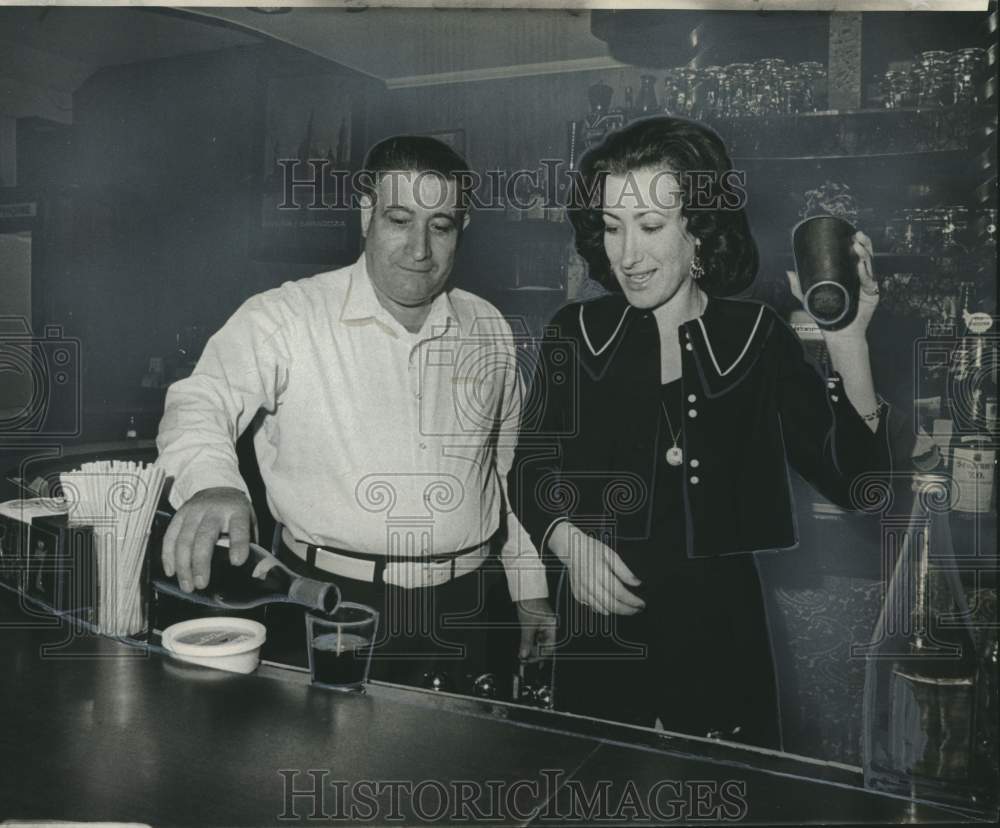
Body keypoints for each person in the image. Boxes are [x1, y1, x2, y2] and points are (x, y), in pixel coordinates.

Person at [508, 117, 891, 747]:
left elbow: (861, 486)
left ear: (699, 234)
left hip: (721, 641)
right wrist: (566, 540)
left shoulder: (757, 337)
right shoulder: (575, 332)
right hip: (599, 642)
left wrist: (847, 337)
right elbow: (529, 466)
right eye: (611, 227)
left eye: (651, 227)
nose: (626, 255)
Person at [156, 135, 556, 692]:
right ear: (366, 214)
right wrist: (212, 485)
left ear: (461, 230)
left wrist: (528, 587)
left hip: (471, 604)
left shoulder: (488, 326)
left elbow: (503, 471)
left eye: (440, 226)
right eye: (399, 219)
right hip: (333, 603)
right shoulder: (287, 315)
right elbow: (200, 401)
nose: (420, 249)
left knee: (471, 770)